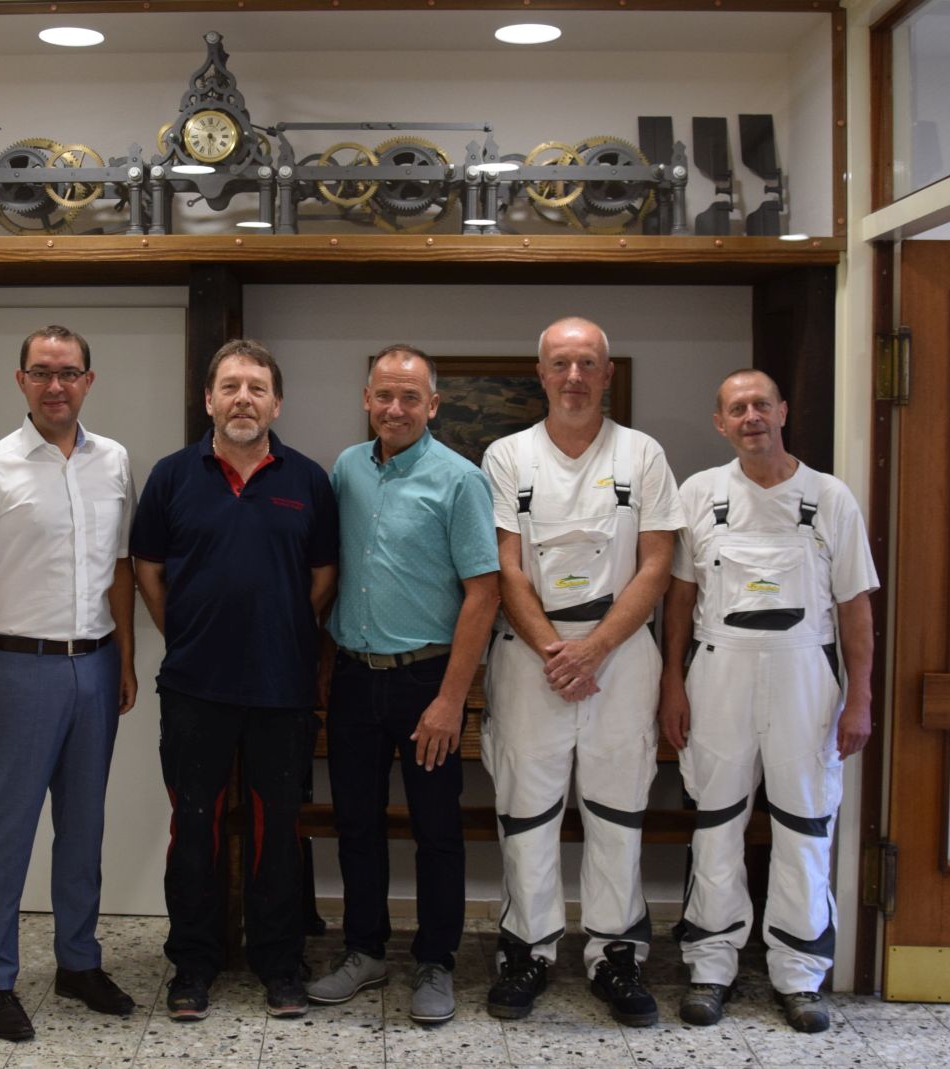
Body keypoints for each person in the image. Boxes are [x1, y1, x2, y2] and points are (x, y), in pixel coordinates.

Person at [658, 369, 877, 1033]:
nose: (751, 416)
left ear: (782, 411)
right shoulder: (700, 493)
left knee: (806, 824)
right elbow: (680, 600)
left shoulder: (830, 497)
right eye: (737, 408)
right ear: (720, 422)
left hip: (806, 676)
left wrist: (860, 697)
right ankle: (710, 965)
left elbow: (855, 607)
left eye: (761, 404)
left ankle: (800, 974)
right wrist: (672, 681)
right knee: (716, 822)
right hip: (717, 674)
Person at [479, 317, 684, 1026]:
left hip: (620, 656)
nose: (574, 377)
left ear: (607, 374)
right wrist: (556, 650)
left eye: (587, 363)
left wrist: (594, 648)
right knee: (526, 811)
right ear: (541, 374)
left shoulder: (642, 454)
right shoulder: (507, 456)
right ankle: (527, 950)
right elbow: (505, 566)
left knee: (617, 809)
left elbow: (657, 563)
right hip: (529, 654)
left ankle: (616, 953)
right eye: (561, 364)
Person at [131, 339, 338, 1022]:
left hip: (282, 689)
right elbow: (147, 568)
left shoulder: (308, 481)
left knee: (278, 831)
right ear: (209, 400)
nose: (243, 398)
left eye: (256, 388)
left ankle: (279, 963)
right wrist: (185, 631)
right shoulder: (171, 476)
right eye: (230, 386)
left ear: (276, 403)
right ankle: (194, 963)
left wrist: (283, 629)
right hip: (195, 686)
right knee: (195, 829)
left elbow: (323, 578)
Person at [0, 325, 138, 1042]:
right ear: (20, 380)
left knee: (84, 828)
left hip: (96, 666)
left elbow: (120, 568)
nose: (56, 385)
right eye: (42, 372)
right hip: (18, 671)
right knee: (7, 831)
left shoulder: (114, 461)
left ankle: (77, 963)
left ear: (89, 380)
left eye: (69, 372)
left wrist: (126, 659)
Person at [306, 345, 499, 1025]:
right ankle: (364, 950)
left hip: (427, 681)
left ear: (432, 405)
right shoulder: (346, 469)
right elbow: (335, 570)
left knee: (436, 828)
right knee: (356, 824)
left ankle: (436, 960)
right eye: (384, 395)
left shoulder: (461, 480)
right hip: (355, 678)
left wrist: (451, 699)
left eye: (410, 397)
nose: (395, 408)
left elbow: (483, 593)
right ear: (367, 400)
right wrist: (324, 660)